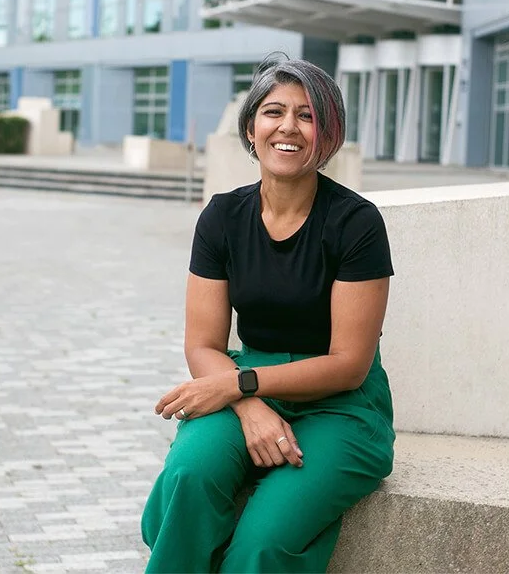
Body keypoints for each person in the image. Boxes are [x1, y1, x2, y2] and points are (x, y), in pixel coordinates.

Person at [141, 52, 395, 573]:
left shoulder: (357, 223)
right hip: (246, 383)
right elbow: (203, 344)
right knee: (188, 478)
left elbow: (349, 363)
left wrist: (243, 385)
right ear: (251, 128)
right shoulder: (222, 217)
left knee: (262, 541)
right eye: (274, 111)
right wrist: (248, 402)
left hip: (341, 405)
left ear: (328, 136)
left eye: (307, 115)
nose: (289, 127)